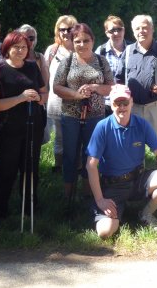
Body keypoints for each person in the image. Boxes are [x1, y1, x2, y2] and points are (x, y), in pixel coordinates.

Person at [86, 85, 157, 239]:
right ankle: (114, 211)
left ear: (132, 102)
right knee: (105, 232)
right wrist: (100, 200)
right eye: (117, 103)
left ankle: (145, 213)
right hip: (113, 185)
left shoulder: (142, 124)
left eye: (125, 103)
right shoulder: (102, 127)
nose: (122, 107)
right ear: (111, 105)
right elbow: (91, 165)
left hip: (138, 179)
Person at [0, 31, 47, 230]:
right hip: (7, 129)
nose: (20, 50)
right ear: (7, 49)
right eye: (16, 47)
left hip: (32, 127)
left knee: (31, 170)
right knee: (6, 171)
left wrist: (39, 98)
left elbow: (43, 93)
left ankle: (30, 208)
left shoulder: (32, 67)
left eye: (24, 47)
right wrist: (20, 98)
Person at [53, 23, 113, 203]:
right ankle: (68, 195)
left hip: (95, 116)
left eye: (86, 40)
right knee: (70, 154)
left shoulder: (102, 61)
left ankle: (89, 194)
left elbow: (111, 88)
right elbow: (56, 87)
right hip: (71, 116)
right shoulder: (67, 61)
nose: (82, 44)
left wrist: (95, 87)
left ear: (93, 41)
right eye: (77, 41)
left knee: (92, 154)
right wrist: (76, 95)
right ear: (72, 42)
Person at [117, 15, 157, 150]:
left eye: (145, 27)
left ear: (152, 29)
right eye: (137, 28)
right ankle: (136, 170)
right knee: (132, 146)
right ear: (133, 31)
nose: (141, 31)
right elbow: (119, 79)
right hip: (133, 107)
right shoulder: (127, 51)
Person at [43, 15, 77, 172]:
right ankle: (58, 167)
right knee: (59, 138)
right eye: (61, 29)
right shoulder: (52, 50)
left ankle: (77, 167)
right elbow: (44, 76)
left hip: (77, 102)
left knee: (76, 137)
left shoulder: (80, 47)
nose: (65, 32)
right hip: (56, 102)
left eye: (68, 29)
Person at [96, 15, 127, 116]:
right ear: (106, 33)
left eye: (119, 29)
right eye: (112, 30)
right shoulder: (100, 52)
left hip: (127, 103)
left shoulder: (133, 50)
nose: (116, 33)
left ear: (124, 30)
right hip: (106, 104)